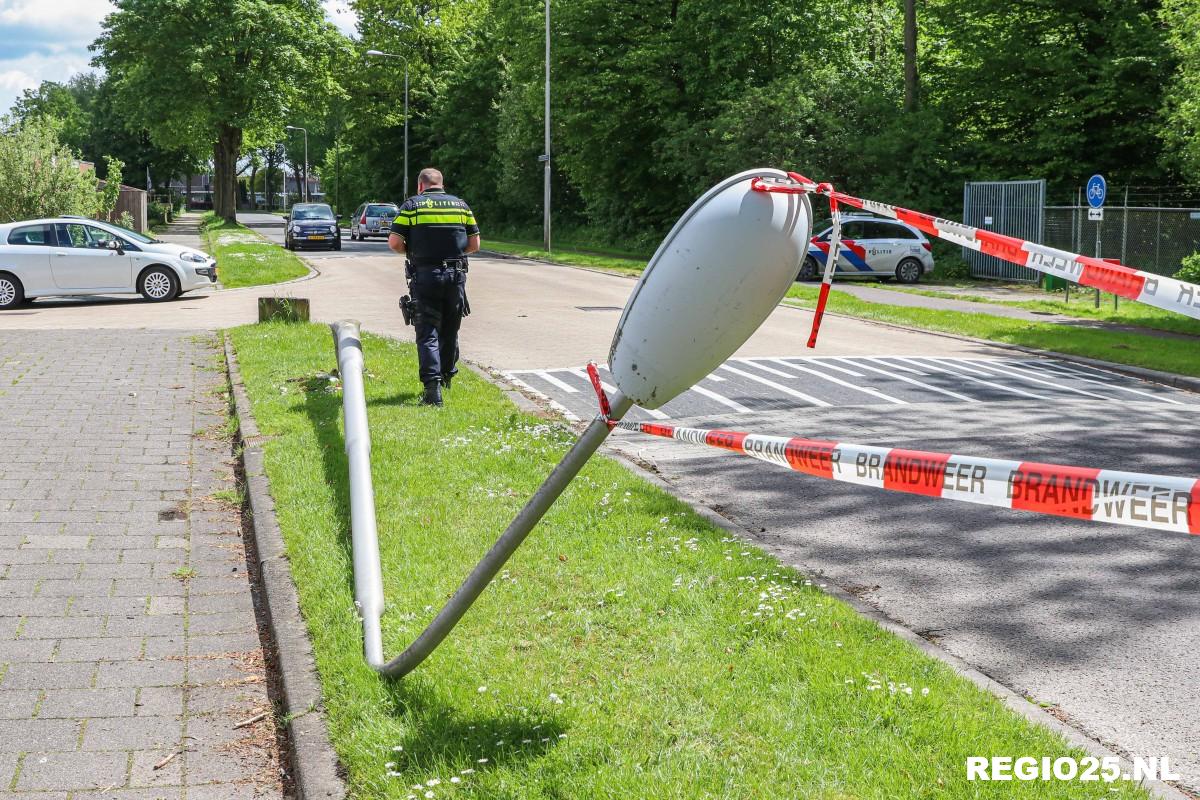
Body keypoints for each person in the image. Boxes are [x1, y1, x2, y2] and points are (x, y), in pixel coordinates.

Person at [388, 167, 481, 406]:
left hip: (426, 275)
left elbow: (395, 242)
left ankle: (432, 390)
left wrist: (412, 251)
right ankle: (447, 377)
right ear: (442, 185)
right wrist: (453, 253)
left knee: (427, 331)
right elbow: (475, 244)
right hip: (456, 275)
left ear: (421, 186)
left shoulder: (412, 206)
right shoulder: (461, 206)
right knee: (450, 329)